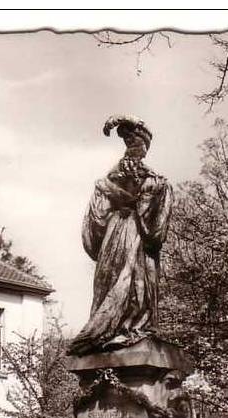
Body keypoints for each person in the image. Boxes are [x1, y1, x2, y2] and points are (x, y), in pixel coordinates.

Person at [69, 115, 173, 356]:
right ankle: (116, 328)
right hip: (120, 238)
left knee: (135, 284)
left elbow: (157, 232)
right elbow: (98, 216)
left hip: (133, 240)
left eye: (136, 141)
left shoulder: (154, 182)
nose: (135, 147)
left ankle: (129, 327)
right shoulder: (119, 181)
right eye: (130, 141)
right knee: (115, 280)